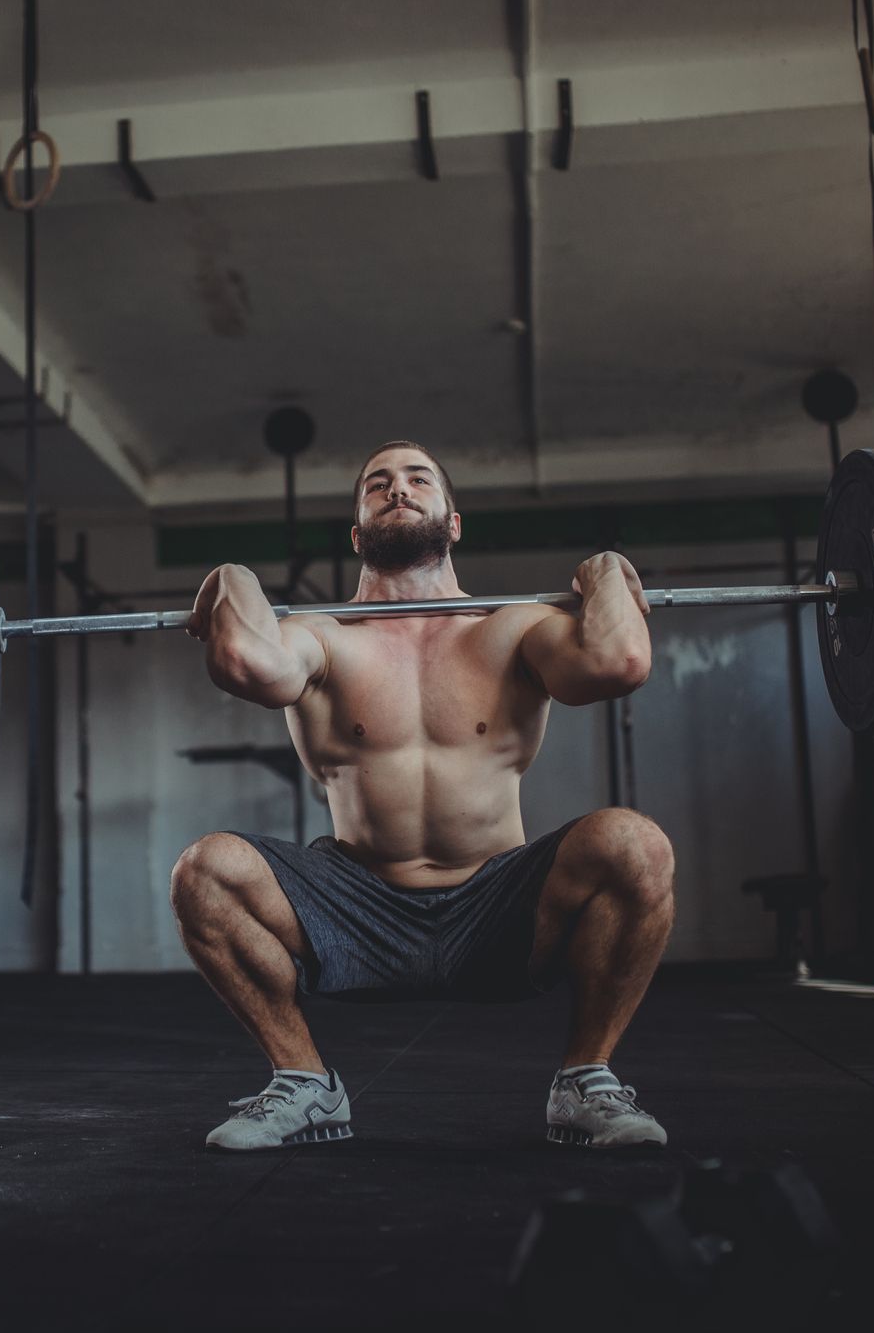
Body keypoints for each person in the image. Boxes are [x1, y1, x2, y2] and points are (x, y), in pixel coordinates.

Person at [174, 440, 673, 1151]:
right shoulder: (319, 637)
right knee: (205, 869)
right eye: (377, 483)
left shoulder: (516, 628)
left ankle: (583, 1081)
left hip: (498, 905)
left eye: (416, 479)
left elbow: (619, 662)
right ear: (357, 531)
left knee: (635, 844)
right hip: (355, 904)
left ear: (453, 520)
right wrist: (230, 577)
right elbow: (242, 661)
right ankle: (304, 1084)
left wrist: (603, 573)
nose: (397, 489)